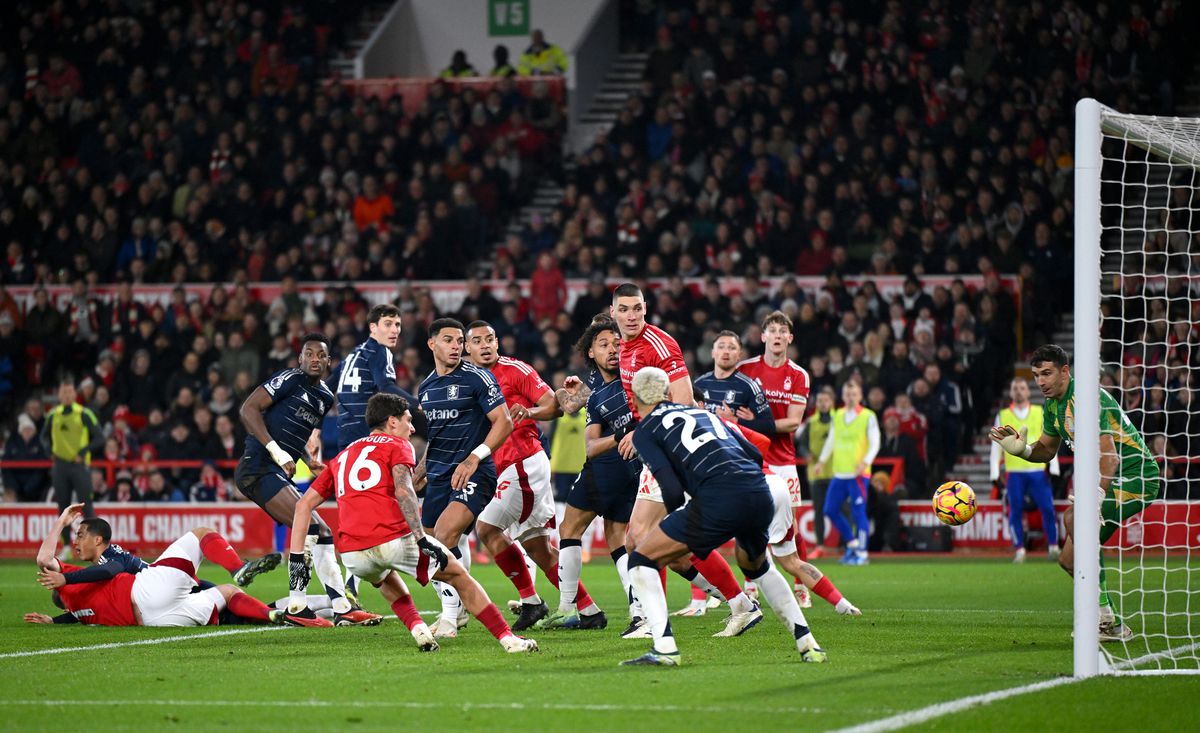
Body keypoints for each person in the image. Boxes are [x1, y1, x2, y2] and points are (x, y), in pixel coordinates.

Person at [288, 393, 537, 653]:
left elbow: (303, 505)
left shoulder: (343, 456)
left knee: (383, 576)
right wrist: (419, 538)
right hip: (393, 539)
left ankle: (418, 628)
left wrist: (296, 560)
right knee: (459, 576)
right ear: (392, 422)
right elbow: (404, 491)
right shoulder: (398, 445)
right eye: (408, 420)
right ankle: (509, 640)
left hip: (352, 555)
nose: (413, 427)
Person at [619, 367, 827, 666]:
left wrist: (681, 523)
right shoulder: (704, 413)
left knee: (641, 558)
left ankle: (664, 649)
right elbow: (754, 455)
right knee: (756, 566)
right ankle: (808, 645)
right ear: (667, 392)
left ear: (633, 399)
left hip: (718, 498)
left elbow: (672, 488)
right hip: (758, 491)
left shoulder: (646, 430)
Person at [611, 282, 756, 638]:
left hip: (672, 449)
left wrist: (643, 433)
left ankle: (652, 622)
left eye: (637, 309)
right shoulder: (625, 348)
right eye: (624, 309)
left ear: (646, 308)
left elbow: (683, 401)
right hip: (657, 447)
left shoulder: (658, 344)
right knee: (673, 550)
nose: (632, 316)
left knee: (638, 539)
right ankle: (740, 604)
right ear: (613, 312)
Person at [990, 344, 1159, 642]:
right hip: (1110, 478)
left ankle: (1106, 620)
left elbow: (1110, 457)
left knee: (1074, 520)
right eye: (1036, 375)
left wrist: (1095, 496)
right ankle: (1111, 623)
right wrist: (1022, 450)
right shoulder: (1054, 406)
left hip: (1136, 477)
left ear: (1065, 371)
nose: (1040, 381)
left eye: (1047, 373)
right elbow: (1046, 450)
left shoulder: (1085, 398)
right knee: (1069, 560)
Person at [464, 320, 606, 631]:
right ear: (467, 348)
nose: (485, 345)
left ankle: (531, 602)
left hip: (523, 462)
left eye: (490, 339)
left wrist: (528, 413)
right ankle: (589, 610)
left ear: (498, 342)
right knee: (538, 548)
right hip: (502, 466)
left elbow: (553, 406)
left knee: (486, 528)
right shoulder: (466, 380)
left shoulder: (516, 370)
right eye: (477, 341)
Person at [234, 333, 380, 626]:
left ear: (329, 361)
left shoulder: (325, 397)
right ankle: (297, 606)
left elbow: (293, 431)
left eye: (321, 355)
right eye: (309, 354)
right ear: (300, 359)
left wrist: (306, 460)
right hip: (258, 466)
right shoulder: (289, 379)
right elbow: (248, 409)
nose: (315, 359)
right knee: (311, 524)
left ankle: (341, 606)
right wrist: (278, 453)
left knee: (322, 530)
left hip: (276, 467)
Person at [26, 504, 298, 627]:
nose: (75, 542)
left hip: (156, 599)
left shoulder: (112, 557)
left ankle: (282, 610)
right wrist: (55, 618)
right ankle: (271, 602)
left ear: (99, 540)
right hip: (160, 593)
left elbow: (108, 572)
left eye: (80, 535)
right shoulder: (89, 584)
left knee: (231, 604)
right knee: (205, 541)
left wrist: (65, 583)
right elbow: (80, 603)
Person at [539, 319, 641, 633]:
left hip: (608, 466)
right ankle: (639, 609)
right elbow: (569, 405)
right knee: (618, 539)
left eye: (615, 342)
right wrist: (559, 393)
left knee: (569, 528)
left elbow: (588, 435)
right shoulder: (596, 382)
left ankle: (568, 608)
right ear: (591, 352)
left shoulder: (625, 379)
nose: (613, 348)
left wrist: (625, 434)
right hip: (631, 467)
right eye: (604, 343)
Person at [417, 318, 513, 638]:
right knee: (433, 544)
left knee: (443, 535)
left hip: (475, 471)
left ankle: (447, 620)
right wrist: (420, 467)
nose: (456, 347)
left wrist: (475, 457)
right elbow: (437, 434)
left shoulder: (477, 377)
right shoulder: (426, 387)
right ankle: (456, 612)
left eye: (460, 341)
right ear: (432, 344)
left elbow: (504, 422)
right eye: (449, 340)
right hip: (439, 474)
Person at [328, 303, 424, 602]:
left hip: (347, 438)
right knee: (390, 495)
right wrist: (419, 405)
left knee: (356, 505)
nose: (394, 330)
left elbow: (327, 389)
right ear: (373, 328)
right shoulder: (379, 352)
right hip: (369, 436)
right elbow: (386, 385)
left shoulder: (352, 355)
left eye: (397, 324)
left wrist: (315, 427)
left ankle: (349, 585)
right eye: (387, 324)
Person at [691, 329, 777, 610]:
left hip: (738, 469)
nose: (726, 351)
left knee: (744, 533)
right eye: (721, 347)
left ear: (739, 355)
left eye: (731, 348)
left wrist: (737, 422)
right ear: (712, 352)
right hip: (705, 467)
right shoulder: (699, 384)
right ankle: (700, 599)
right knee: (695, 529)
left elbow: (767, 429)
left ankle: (749, 588)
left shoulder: (748, 387)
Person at [737, 311, 813, 589]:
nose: (778, 335)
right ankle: (751, 585)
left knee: (792, 525)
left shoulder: (798, 375)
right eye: (773, 330)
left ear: (790, 338)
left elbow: (793, 422)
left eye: (783, 331)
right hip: (750, 458)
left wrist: (753, 423)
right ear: (763, 336)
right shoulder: (745, 369)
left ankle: (801, 587)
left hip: (782, 460)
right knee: (748, 522)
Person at [989, 377, 1061, 563]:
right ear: (1011, 393)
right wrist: (994, 473)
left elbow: (1051, 440)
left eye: (1022, 388)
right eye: (1015, 388)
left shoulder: (1039, 411)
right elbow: (996, 446)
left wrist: (1054, 467)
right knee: (1015, 511)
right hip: (1014, 473)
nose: (1019, 391)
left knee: (1047, 508)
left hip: (1037, 470)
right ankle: (1019, 550)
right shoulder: (1003, 415)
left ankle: (1053, 547)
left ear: (1028, 392)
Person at [813, 380, 880, 566]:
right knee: (829, 510)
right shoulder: (839, 415)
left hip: (858, 474)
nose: (850, 397)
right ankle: (852, 543)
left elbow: (875, 443)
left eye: (854, 394)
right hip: (840, 472)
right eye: (847, 394)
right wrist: (821, 461)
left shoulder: (868, 416)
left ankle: (862, 552)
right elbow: (832, 440)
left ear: (860, 396)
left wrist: (865, 462)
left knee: (859, 513)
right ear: (842, 396)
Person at [40, 379, 105, 550]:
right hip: (60, 466)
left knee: (86, 506)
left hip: (79, 466)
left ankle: (94, 546)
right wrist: (49, 452)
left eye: (70, 392)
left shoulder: (84, 413)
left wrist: (83, 452)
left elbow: (100, 438)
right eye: (64, 392)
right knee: (63, 506)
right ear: (59, 395)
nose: (67, 395)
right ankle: (67, 546)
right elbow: (43, 437)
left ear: (75, 395)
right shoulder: (53, 415)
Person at [803, 388, 836, 556]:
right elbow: (801, 444)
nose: (823, 404)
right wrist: (806, 454)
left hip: (837, 472)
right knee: (818, 510)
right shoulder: (811, 422)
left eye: (826, 400)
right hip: (816, 473)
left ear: (832, 403)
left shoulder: (839, 420)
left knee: (842, 509)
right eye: (820, 401)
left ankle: (847, 544)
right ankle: (820, 546)